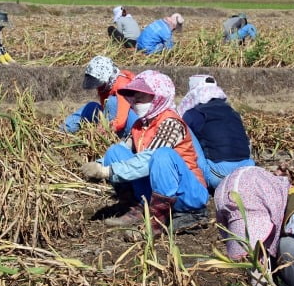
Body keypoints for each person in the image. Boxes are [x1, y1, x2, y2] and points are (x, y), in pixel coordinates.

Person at [81, 70, 209, 238]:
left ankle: (160, 219)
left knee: (161, 155)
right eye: (134, 96)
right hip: (159, 188)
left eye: (142, 96)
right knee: (115, 152)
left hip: (187, 192)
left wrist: (106, 171)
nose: (135, 101)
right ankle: (136, 206)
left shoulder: (170, 122)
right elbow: (123, 150)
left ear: (159, 97)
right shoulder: (139, 125)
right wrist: (98, 165)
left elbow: (149, 158)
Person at [177, 75, 255, 191]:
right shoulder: (232, 112)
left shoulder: (193, 113)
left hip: (217, 175)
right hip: (247, 171)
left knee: (182, 126)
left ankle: (194, 180)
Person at [62, 56, 138, 137]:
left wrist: (101, 131)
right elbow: (105, 110)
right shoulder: (107, 86)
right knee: (91, 106)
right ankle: (63, 131)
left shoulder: (122, 86)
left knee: (111, 101)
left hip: (133, 127)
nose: (98, 88)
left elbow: (121, 121)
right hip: (114, 120)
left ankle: (111, 136)